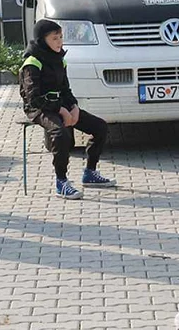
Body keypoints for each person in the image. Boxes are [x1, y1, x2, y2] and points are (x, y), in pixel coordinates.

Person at [19, 20, 116, 200]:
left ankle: (90, 173)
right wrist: (61, 110)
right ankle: (61, 182)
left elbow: (66, 90)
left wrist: (74, 107)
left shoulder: (59, 59)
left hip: (60, 106)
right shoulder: (32, 62)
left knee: (100, 127)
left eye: (61, 37)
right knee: (61, 133)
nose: (59, 42)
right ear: (42, 40)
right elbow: (33, 99)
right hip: (38, 109)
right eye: (54, 38)